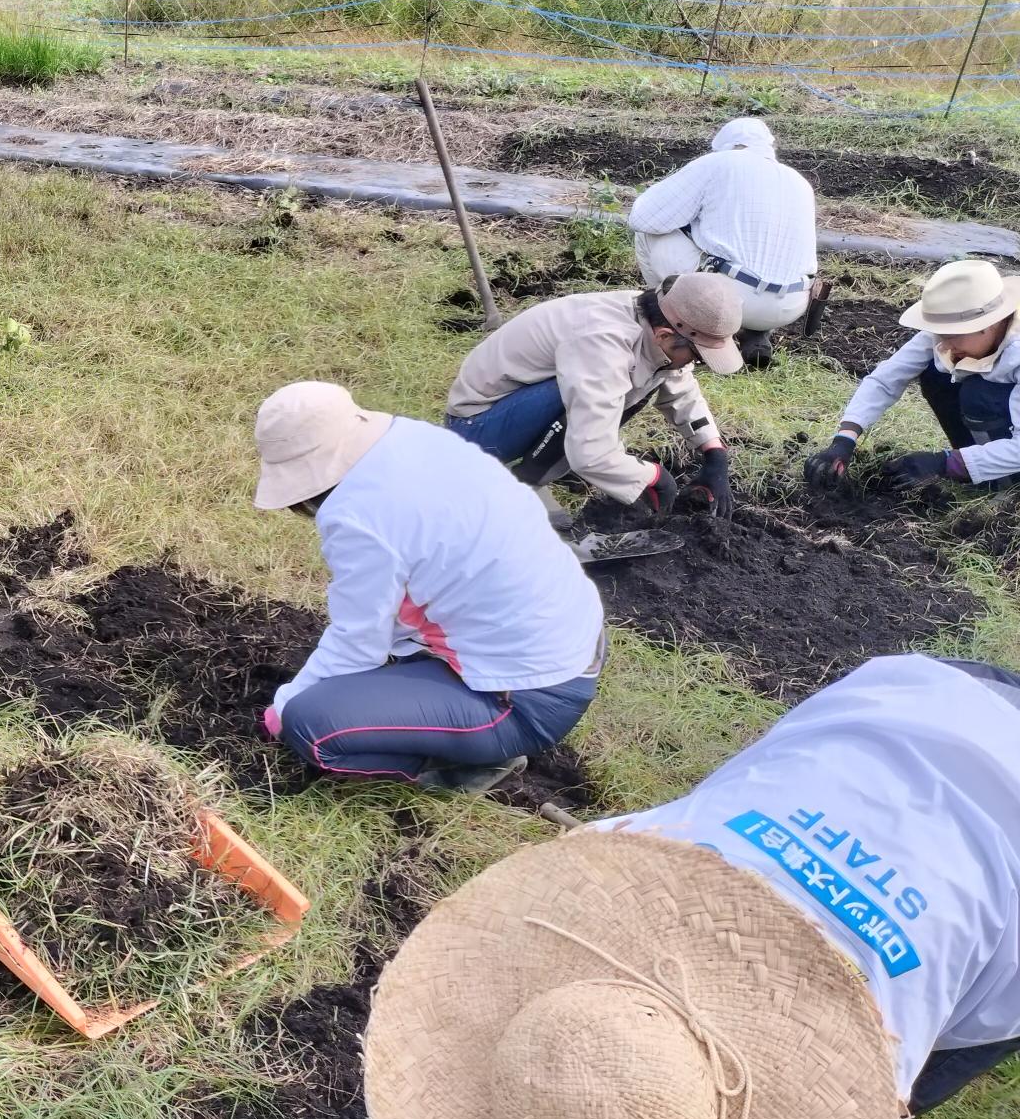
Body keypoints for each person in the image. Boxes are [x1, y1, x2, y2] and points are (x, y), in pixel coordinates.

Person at [364, 651, 1020, 1119]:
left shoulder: (880, 1051)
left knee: (893, 1112)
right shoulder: (611, 866)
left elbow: (869, 1115)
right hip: (898, 707)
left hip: (929, 738)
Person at [251, 382, 606, 793]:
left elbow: (357, 644)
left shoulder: (358, 517)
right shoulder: (415, 440)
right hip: (572, 642)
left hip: (524, 696)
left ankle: (466, 765)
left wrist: (283, 707)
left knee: (310, 723)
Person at [445, 273, 743, 528]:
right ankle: (516, 490)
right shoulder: (602, 341)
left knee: (630, 383)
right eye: (696, 357)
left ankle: (530, 477)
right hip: (476, 428)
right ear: (666, 335)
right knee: (595, 396)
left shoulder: (656, 322)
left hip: (518, 405)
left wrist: (714, 453)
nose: (693, 364)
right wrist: (653, 476)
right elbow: (589, 452)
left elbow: (680, 385)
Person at [803, 257, 1020, 493]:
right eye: (940, 334)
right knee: (937, 373)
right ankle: (974, 468)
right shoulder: (952, 331)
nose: (945, 345)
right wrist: (844, 440)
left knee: (978, 394)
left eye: (951, 336)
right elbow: (886, 379)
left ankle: (1006, 486)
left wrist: (944, 463)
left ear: (988, 324)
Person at [627, 117, 820, 368]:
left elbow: (644, 218)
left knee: (649, 233)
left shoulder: (719, 163)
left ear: (724, 146)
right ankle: (756, 332)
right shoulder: (799, 180)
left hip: (730, 296)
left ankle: (671, 322)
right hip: (792, 305)